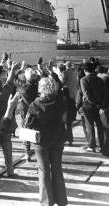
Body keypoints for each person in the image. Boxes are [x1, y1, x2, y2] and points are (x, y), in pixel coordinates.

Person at [25, 77, 68, 206]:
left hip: (41, 141)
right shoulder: (60, 101)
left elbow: (28, 124)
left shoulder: (35, 104)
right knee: (57, 168)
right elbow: (65, 119)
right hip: (58, 138)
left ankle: (46, 202)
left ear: (40, 89)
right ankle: (61, 200)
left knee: (44, 171)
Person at [77, 62, 105, 152]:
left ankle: (92, 146)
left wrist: (93, 103)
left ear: (85, 70)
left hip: (88, 106)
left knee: (90, 126)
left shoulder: (83, 80)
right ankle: (102, 145)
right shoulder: (100, 79)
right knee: (100, 126)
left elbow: (87, 95)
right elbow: (104, 93)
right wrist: (100, 104)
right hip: (99, 105)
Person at [16, 67, 40, 161]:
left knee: (26, 131)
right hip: (36, 110)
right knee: (37, 130)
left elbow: (15, 79)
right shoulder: (38, 85)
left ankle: (27, 153)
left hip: (25, 111)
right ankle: (39, 151)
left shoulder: (23, 87)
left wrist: (19, 69)